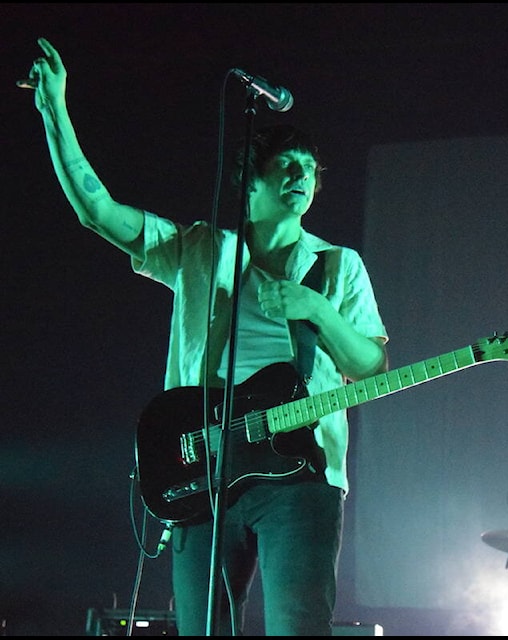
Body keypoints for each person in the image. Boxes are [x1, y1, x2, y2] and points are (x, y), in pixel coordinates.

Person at [25, 38, 388, 635]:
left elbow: (370, 365)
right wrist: (55, 110)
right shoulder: (198, 250)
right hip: (204, 467)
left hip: (300, 474)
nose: (302, 177)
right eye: (286, 166)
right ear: (252, 180)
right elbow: (100, 213)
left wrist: (319, 311)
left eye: (309, 170)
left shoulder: (337, 266)